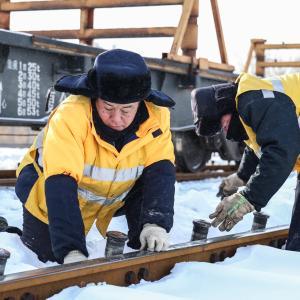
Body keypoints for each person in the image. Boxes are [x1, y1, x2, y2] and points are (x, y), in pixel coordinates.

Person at [15, 49, 176, 264]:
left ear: (141, 102)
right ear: (94, 97)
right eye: (108, 107)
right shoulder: (71, 116)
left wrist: (156, 223)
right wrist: (71, 250)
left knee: (150, 227)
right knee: (45, 257)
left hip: (109, 194)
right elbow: (60, 181)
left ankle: (146, 236)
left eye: (127, 110)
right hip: (48, 193)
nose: (116, 118)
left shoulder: (157, 116)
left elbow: (160, 172)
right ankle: (13, 235)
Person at [191, 72, 300, 251]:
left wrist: (248, 198)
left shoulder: (254, 101)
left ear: (223, 106)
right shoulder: (251, 101)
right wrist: (241, 176)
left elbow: (281, 151)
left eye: (221, 122)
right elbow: (259, 144)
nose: (223, 129)